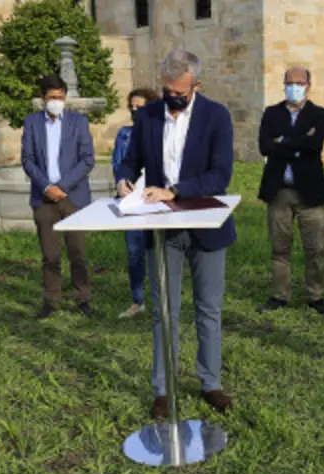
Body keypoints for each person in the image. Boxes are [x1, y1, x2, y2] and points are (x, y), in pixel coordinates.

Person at [116, 50, 237, 419]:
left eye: (180, 92)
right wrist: (123, 177)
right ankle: (163, 389)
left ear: (196, 86)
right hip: (161, 228)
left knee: (208, 308)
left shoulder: (216, 116)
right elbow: (129, 158)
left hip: (205, 225)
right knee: (163, 311)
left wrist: (177, 190)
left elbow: (220, 175)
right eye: (167, 90)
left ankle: (210, 383)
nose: (173, 98)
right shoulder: (148, 115)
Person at [257, 67, 324, 315]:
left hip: (309, 191)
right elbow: (264, 147)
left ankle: (315, 296)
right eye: (290, 82)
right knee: (280, 248)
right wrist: (298, 140)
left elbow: (315, 145)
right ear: (283, 84)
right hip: (279, 190)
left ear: (309, 85)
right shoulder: (271, 113)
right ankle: (279, 295)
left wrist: (281, 141)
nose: (294, 87)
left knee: (316, 248)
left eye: (299, 82)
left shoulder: (319, 114)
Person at [22, 74, 97, 320]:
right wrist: (46, 186)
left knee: (78, 252)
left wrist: (63, 185)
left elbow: (87, 159)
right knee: (50, 255)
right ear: (43, 98)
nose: (57, 101)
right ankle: (51, 301)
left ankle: (82, 297)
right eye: (53, 97)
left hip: (72, 195)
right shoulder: (32, 123)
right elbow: (28, 160)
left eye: (61, 97)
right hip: (44, 197)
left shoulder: (79, 122)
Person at [112, 88, 160, 319]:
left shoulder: (161, 132)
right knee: (134, 252)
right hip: (132, 203)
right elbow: (119, 165)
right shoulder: (124, 134)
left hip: (156, 201)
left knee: (157, 251)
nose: (135, 111)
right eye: (132, 106)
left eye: (140, 106)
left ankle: (161, 300)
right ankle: (137, 300)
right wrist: (121, 182)